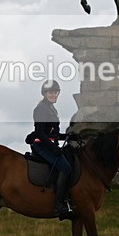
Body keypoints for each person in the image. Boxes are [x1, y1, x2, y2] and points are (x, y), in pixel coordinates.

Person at [30, 79, 74, 219]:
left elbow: (52, 133)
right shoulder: (41, 108)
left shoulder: (51, 108)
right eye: (50, 92)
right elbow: (40, 133)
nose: (53, 94)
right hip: (40, 145)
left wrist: (68, 136)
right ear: (44, 93)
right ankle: (60, 205)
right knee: (65, 168)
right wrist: (53, 148)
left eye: (55, 92)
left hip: (48, 144)